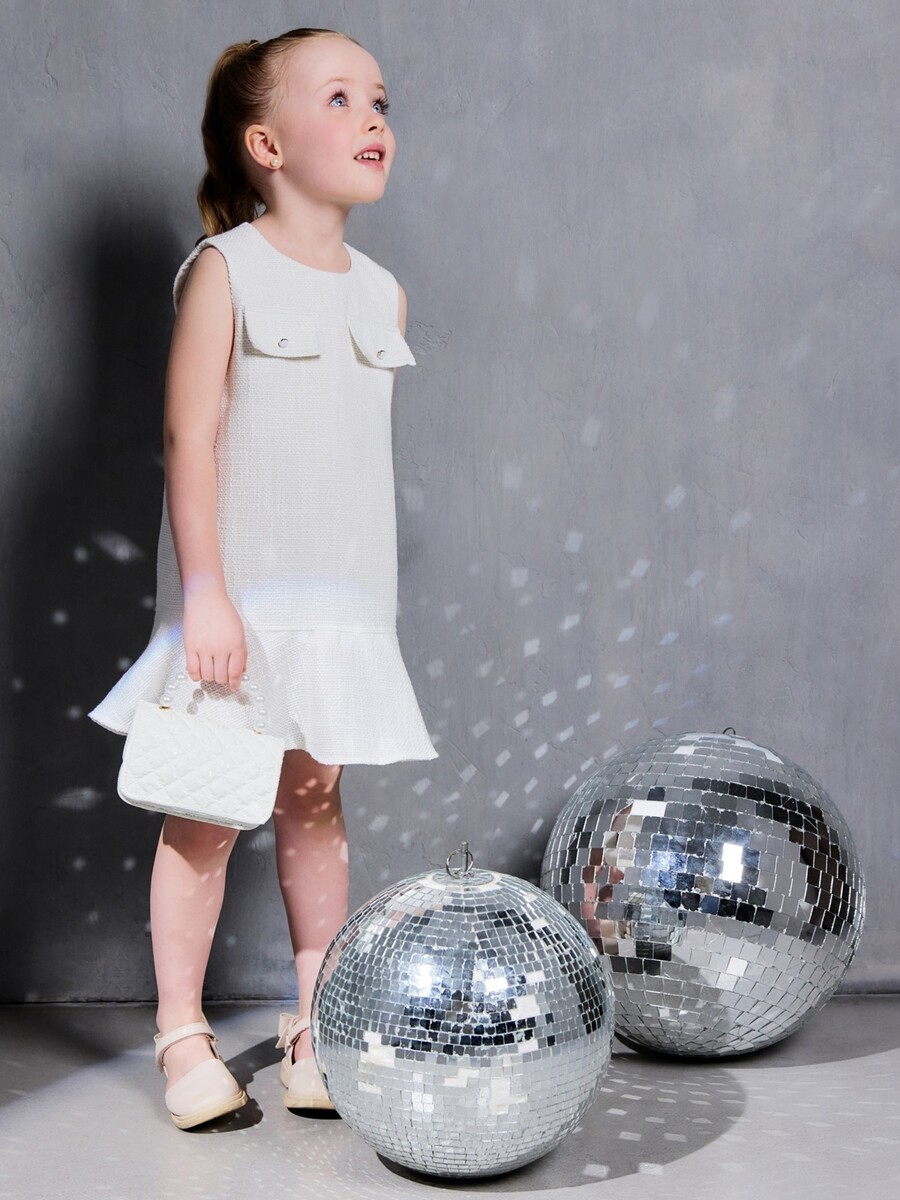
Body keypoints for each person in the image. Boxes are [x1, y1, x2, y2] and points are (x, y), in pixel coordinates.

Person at [89, 26, 438, 1130]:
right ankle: (181, 1034)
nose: (371, 118)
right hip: (237, 601)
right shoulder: (225, 270)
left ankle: (315, 1023)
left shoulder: (382, 294)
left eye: (378, 100)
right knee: (206, 806)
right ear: (267, 144)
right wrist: (205, 592)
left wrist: (370, 609)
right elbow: (189, 439)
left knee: (315, 800)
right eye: (338, 99)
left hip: (341, 606)